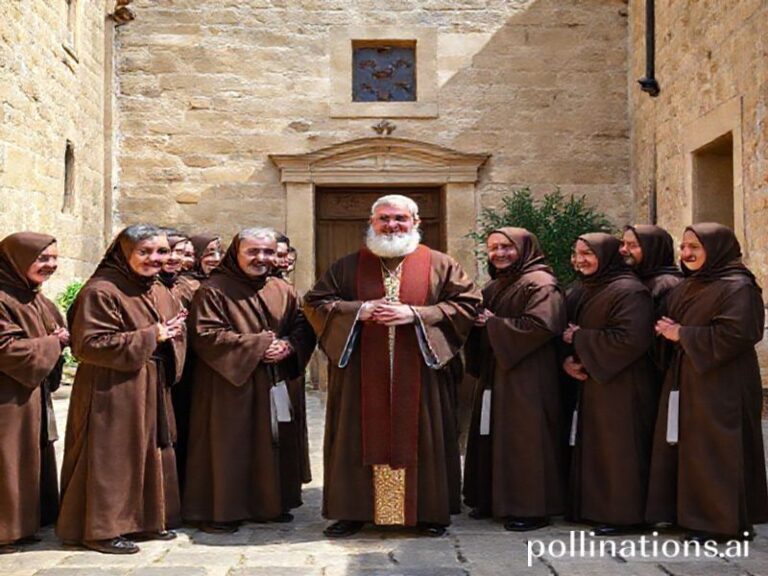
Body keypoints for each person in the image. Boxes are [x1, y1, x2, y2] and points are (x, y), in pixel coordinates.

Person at [304, 194, 480, 538]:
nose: (392, 225)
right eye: (384, 219)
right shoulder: (347, 265)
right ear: (371, 223)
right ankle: (351, 511)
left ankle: (427, 511)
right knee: (354, 436)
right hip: (360, 375)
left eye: (400, 218)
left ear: (416, 223)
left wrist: (416, 314)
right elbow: (315, 303)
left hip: (420, 373)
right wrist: (359, 310)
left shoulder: (441, 265)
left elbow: (467, 304)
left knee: (423, 434)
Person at [57, 225, 187, 554]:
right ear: (124, 252)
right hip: (110, 387)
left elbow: (167, 329)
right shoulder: (101, 291)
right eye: (144, 252)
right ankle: (101, 530)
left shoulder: (155, 288)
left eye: (161, 252)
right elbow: (87, 345)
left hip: (148, 381)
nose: (154, 259)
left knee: (146, 451)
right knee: (110, 456)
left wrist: (170, 333)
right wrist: (151, 335)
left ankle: (143, 521)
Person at [183, 228, 316, 532]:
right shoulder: (214, 290)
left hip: (274, 380)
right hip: (229, 386)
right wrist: (258, 346)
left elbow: (303, 327)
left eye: (268, 252)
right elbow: (205, 336)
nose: (262, 258)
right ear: (237, 253)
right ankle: (222, 511)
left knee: (273, 443)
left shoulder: (283, 290)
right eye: (253, 252)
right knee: (230, 445)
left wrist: (288, 346)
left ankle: (268, 505)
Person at [647, 223, 768, 541]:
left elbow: (740, 333)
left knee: (717, 449)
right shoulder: (690, 285)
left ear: (716, 249)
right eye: (683, 247)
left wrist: (682, 333)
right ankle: (690, 515)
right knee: (688, 447)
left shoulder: (739, 287)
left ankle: (721, 522)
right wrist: (667, 330)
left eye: (694, 248)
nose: (686, 254)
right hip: (687, 377)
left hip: (723, 383)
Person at [463, 228, 566, 531]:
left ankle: (531, 508)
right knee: (492, 433)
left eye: (507, 247)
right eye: (493, 248)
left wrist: (494, 324)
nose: (499, 253)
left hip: (528, 375)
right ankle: (493, 498)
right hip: (498, 371)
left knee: (525, 438)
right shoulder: (497, 285)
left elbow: (543, 326)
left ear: (524, 248)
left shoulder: (541, 283)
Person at [562, 233, 655, 535]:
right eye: (576, 253)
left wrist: (580, 338)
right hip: (593, 380)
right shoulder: (582, 289)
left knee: (620, 448)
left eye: (588, 253)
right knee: (594, 446)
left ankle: (623, 515)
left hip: (623, 383)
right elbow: (561, 332)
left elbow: (631, 339)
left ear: (607, 255)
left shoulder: (629, 292)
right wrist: (568, 360)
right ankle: (593, 508)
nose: (580, 260)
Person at [0, 233, 68, 554]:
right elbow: (6, 349)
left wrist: (57, 340)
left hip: (31, 396)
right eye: (42, 258)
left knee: (28, 456)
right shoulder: (2, 298)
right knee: (7, 459)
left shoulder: (37, 298)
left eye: (54, 258)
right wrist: (55, 342)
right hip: (6, 400)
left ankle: (23, 525)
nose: (51, 265)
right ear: (16, 259)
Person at [619, 225, 682, 317]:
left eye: (632, 245)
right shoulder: (636, 276)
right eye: (623, 244)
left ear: (652, 249)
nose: (623, 250)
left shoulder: (668, 284)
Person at [160, 230, 200, 309]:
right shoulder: (147, 287)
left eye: (179, 252)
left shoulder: (187, 286)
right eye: (165, 251)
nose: (173, 257)